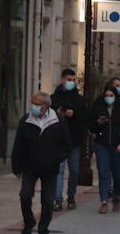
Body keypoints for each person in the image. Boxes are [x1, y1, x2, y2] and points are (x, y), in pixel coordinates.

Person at [11, 91, 71, 234]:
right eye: (33, 103)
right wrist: (16, 167)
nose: (34, 107)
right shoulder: (26, 120)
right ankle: (29, 222)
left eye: (37, 104)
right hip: (29, 166)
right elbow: (18, 145)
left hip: (50, 167)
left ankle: (43, 227)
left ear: (46, 106)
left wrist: (58, 158)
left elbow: (66, 143)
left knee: (47, 199)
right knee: (25, 195)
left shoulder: (58, 120)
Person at [90, 81, 120, 213]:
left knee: (117, 174)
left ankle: (117, 196)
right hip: (101, 144)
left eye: (111, 95)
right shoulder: (98, 107)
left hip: (117, 145)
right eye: (106, 95)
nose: (108, 97)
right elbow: (91, 126)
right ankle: (104, 201)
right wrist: (98, 122)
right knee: (103, 172)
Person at [49, 68, 86, 211]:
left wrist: (74, 113)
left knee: (74, 170)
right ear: (62, 79)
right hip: (58, 140)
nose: (71, 82)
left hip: (74, 140)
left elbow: (84, 118)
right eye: (68, 79)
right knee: (59, 170)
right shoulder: (54, 98)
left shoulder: (79, 99)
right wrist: (58, 113)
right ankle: (57, 199)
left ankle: (71, 196)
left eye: (73, 80)